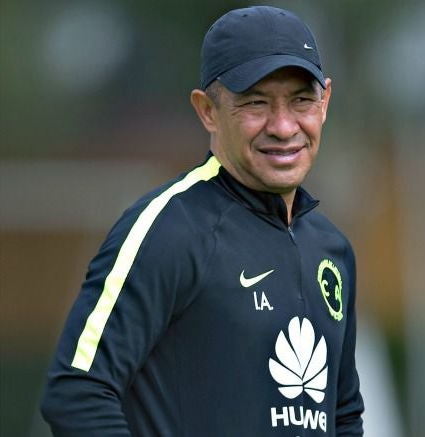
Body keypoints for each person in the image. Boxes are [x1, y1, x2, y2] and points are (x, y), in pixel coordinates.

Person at [40, 6, 364, 436]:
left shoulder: (333, 250)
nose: (284, 126)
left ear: (324, 102)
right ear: (207, 111)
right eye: (255, 103)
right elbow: (76, 392)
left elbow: (343, 416)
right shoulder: (169, 229)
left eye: (301, 100)